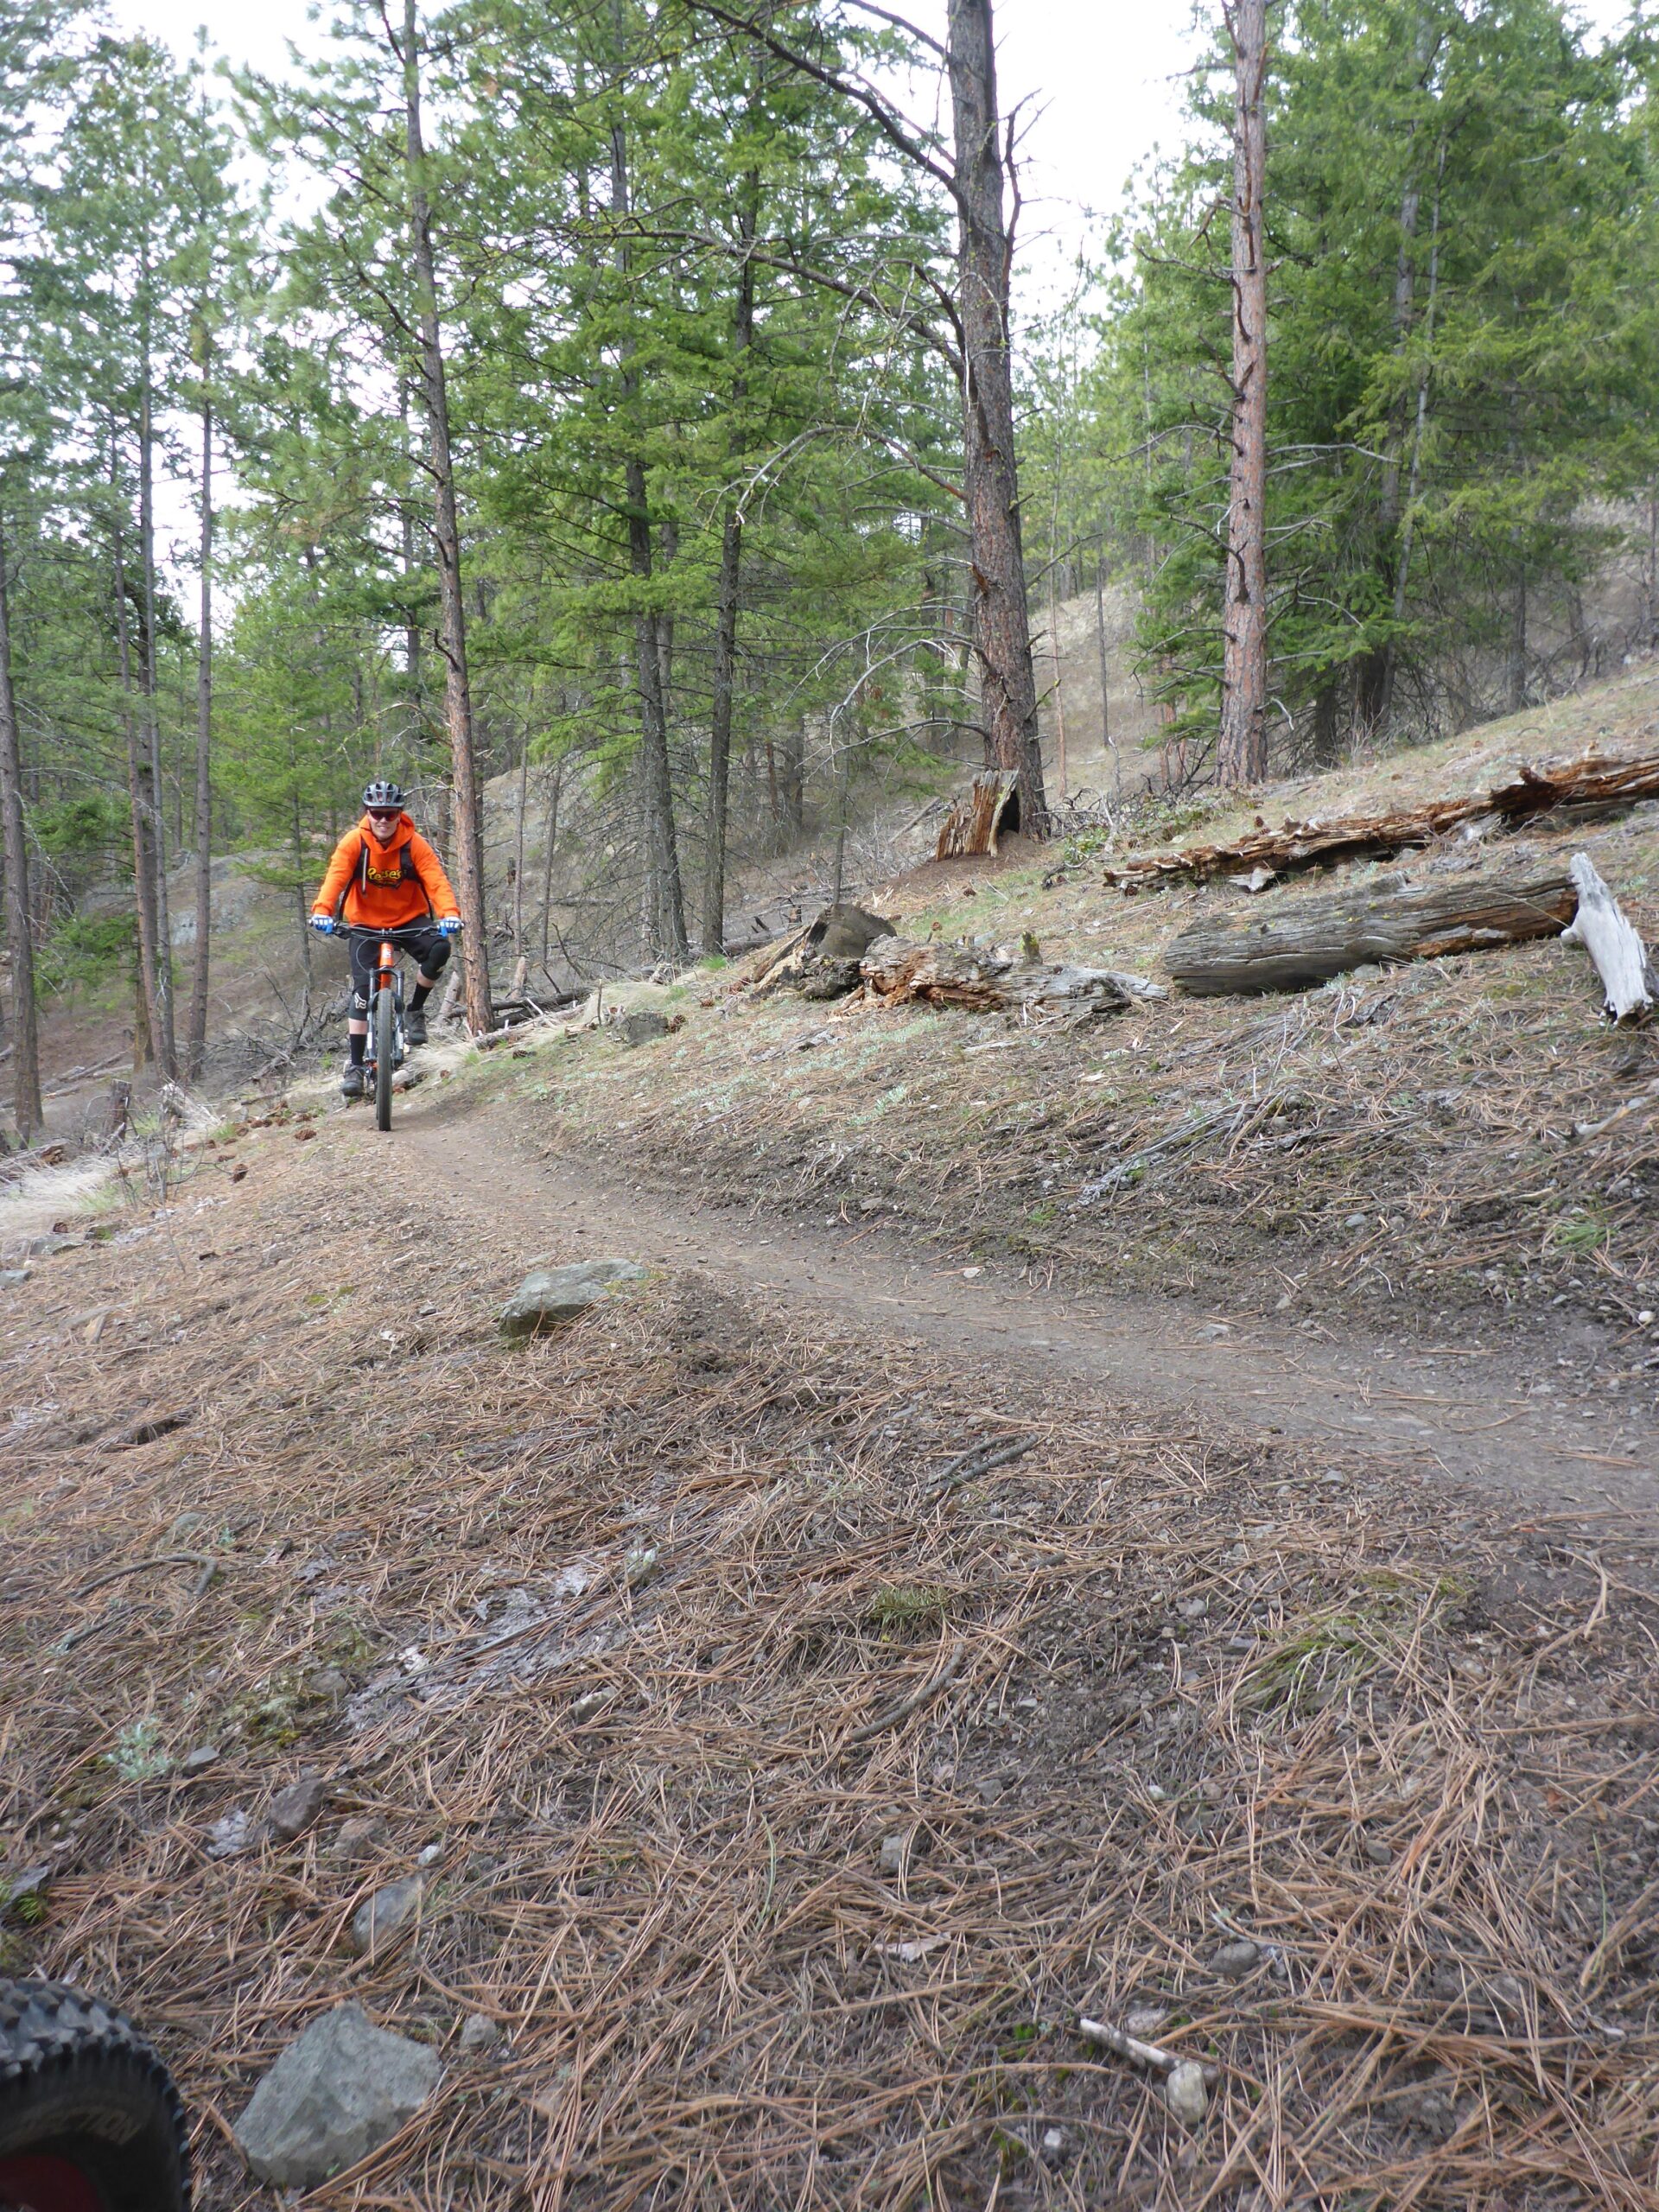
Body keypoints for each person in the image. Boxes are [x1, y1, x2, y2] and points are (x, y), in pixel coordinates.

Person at [309, 779, 463, 1098]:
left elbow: (435, 878)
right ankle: (354, 1065)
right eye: (376, 812)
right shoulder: (354, 842)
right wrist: (323, 911)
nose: (382, 819)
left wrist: (449, 912)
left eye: (389, 813)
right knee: (363, 992)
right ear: (368, 813)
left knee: (440, 949)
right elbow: (336, 876)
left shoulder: (414, 844)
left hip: (409, 919)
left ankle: (415, 1011)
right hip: (364, 923)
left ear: (399, 814)